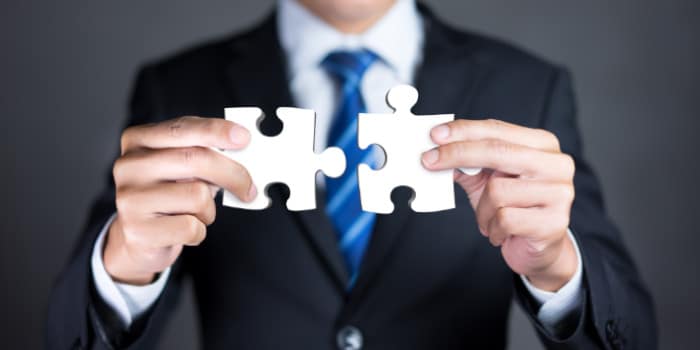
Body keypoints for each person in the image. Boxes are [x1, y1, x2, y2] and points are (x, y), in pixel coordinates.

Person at [47, 0, 656, 349]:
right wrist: (124, 266)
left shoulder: (527, 87)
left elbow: (633, 335)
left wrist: (558, 269)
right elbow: (67, 337)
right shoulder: (178, 88)